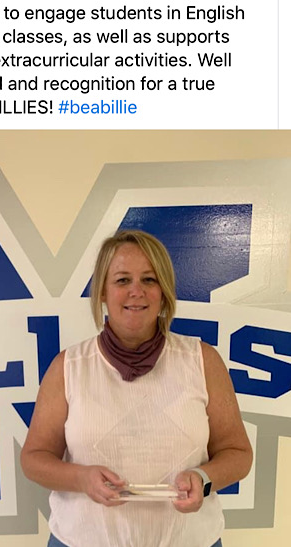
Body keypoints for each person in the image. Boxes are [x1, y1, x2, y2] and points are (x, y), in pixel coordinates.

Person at [21, 230, 252, 547]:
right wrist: (81, 478)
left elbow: (238, 454)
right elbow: (34, 459)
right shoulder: (69, 367)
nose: (136, 291)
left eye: (149, 280)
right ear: (103, 291)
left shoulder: (202, 361)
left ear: (163, 291)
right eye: (122, 280)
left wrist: (203, 478)